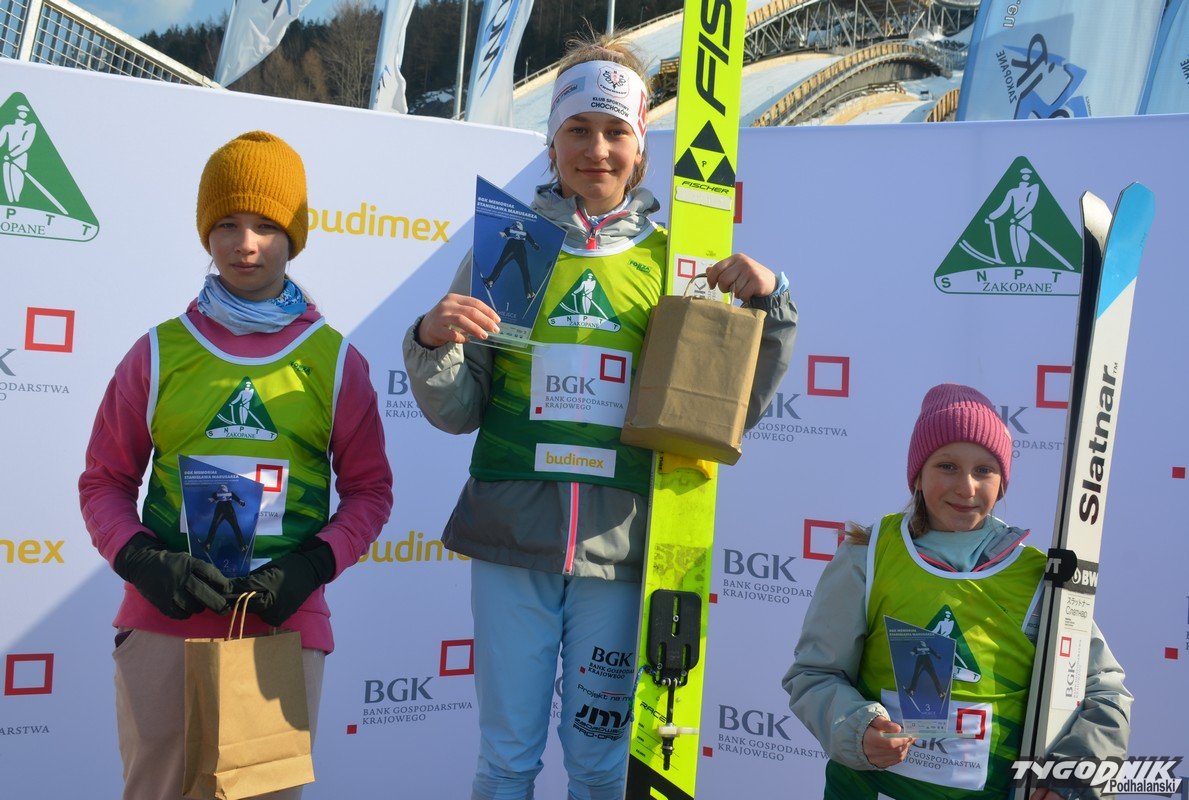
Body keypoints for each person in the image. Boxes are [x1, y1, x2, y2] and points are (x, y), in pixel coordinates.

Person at [404, 35, 797, 800]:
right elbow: (458, 411)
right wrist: (429, 341)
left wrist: (770, 307)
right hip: (512, 538)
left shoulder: (677, 261)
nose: (596, 149)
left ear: (640, 147)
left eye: (615, 131)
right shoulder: (511, 245)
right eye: (577, 129)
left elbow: (718, 414)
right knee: (506, 758)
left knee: (600, 766)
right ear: (551, 143)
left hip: (622, 550)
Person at [79, 130, 392, 800]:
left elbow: (370, 492)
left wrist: (311, 566)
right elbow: (105, 482)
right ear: (205, 232)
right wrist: (142, 560)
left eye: (266, 226)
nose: (245, 244)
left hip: (280, 629)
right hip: (163, 622)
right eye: (226, 224)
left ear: (293, 237)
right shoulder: (157, 352)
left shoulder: (335, 360)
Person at [783, 383, 1131, 800]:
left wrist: (1072, 776)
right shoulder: (868, 556)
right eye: (947, 466)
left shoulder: (1040, 577)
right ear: (917, 475)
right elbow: (815, 675)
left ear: (1002, 483)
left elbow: (1104, 692)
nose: (966, 487)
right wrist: (855, 728)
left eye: (984, 470)